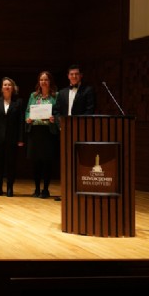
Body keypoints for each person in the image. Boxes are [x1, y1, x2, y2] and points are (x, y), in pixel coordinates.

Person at [53, 64, 96, 201]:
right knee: (66, 163)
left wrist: (80, 127)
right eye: (71, 74)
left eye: (76, 74)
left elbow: (90, 111)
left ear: (81, 75)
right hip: (65, 132)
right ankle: (66, 192)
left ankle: (79, 192)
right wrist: (61, 126)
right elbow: (56, 111)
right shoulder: (63, 92)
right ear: (68, 76)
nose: (74, 76)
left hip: (81, 133)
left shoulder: (88, 90)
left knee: (80, 163)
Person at [0, 77, 25, 197]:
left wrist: (20, 138)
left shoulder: (18, 102)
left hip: (12, 138)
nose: (7, 87)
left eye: (9, 85)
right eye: (5, 85)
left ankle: (10, 188)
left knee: (11, 164)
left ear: (13, 88)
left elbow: (20, 122)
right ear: (2, 88)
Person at [26, 71, 59, 199]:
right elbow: (28, 111)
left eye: (46, 80)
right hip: (35, 131)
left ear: (50, 82)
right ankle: (37, 188)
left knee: (47, 162)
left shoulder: (55, 96)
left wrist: (54, 118)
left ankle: (45, 189)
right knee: (36, 162)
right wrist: (28, 118)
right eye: (41, 80)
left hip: (48, 132)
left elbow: (58, 112)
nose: (43, 82)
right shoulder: (33, 96)